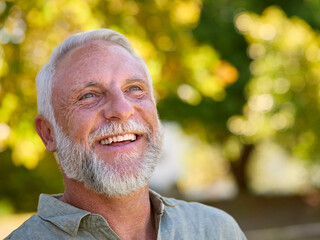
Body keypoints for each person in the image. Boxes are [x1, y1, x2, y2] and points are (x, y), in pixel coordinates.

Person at [5, 29, 246, 240]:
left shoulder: (216, 230)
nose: (122, 110)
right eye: (88, 95)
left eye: (134, 89)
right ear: (48, 134)